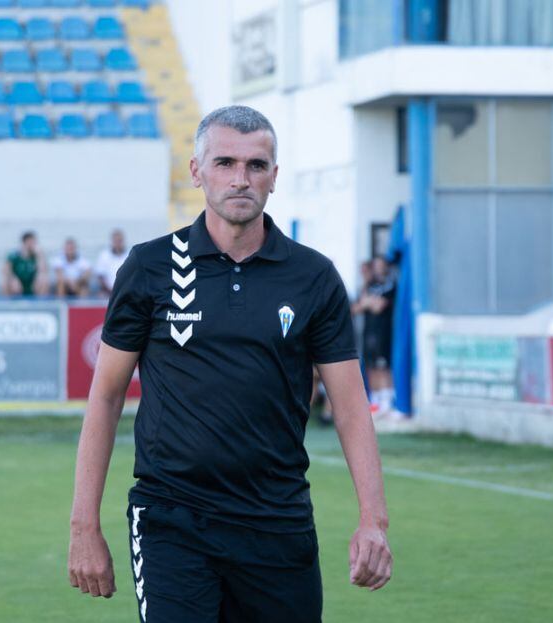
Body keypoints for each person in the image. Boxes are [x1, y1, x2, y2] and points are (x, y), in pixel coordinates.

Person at [67, 105, 392, 623]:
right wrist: (84, 526)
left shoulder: (313, 277)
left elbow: (351, 408)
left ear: (274, 177)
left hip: (278, 523)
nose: (241, 178)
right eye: (225, 163)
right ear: (197, 172)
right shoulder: (150, 267)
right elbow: (105, 397)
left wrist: (373, 520)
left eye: (256, 165)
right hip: (172, 519)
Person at [353, 257, 396, 416]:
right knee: (370, 367)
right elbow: (356, 308)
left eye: (380, 265)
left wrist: (368, 303)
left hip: (382, 332)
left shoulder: (390, 285)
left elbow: (378, 307)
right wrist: (368, 300)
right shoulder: (369, 287)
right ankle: (376, 402)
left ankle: (387, 402)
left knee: (382, 366)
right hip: (368, 333)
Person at [2, 231, 48, 297]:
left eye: (34, 242)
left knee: (43, 278)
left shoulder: (37, 256)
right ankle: (8, 301)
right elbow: (5, 271)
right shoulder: (14, 255)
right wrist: (13, 278)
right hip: (18, 283)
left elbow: (43, 270)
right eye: (30, 242)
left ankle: (40, 300)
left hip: (33, 283)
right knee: (6, 280)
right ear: (24, 242)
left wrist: (40, 256)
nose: (32, 245)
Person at [94, 228, 130, 296]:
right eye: (116, 241)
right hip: (107, 292)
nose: (118, 243)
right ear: (112, 241)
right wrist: (109, 290)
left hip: (126, 291)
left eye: (119, 241)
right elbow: (100, 276)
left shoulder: (129, 255)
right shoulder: (104, 255)